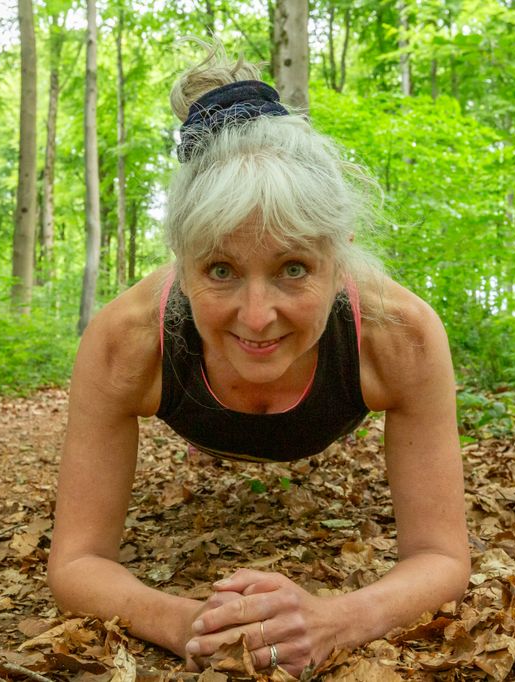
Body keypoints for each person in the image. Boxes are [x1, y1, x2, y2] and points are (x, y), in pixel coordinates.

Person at [47, 44, 470, 678]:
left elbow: (441, 555)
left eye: (292, 268)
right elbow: (77, 563)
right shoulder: (127, 341)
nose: (256, 317)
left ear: (340, 260)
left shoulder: (397, 334)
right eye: (221, 269)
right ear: (182, 266)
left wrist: (336, 620)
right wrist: (188, 622)